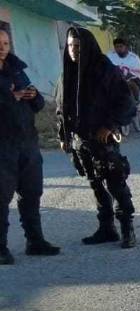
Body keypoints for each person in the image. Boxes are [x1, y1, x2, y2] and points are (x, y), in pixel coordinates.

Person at [56, 26, 138, 249]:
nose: (74, 51)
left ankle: (127, 228)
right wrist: (63, 135)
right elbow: (61, 108)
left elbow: (127, 103)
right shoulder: (68, 73)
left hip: (104, 140)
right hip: (81, 142)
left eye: (78, 47)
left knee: (115, 184)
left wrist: (110, 126)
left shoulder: (105, 70)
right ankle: (106, 228)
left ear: (88, 46)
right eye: (71, 46)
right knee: (95, 185)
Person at [0, 29, 59, 264]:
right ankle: (1, 248)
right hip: (2, 147)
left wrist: (33, 96)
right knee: (1, 198)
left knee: (32, 193)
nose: (2, 47)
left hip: (27, 143)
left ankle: (35, 241)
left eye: (5, 42)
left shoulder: (16, 69)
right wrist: (9, 98)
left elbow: (38, 105)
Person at [107, 38, 140, 103]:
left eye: (121, 46)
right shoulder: (109, 56)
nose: (118, 49)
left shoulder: (134, 58)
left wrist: (122, 78)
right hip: (114, 78)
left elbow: (134, 74)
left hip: (133, 79)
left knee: (131, 84)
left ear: (126, 47)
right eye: (116, 47)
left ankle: (136, 102)